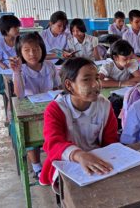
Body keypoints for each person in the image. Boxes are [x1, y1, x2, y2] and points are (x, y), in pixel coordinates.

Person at [39, 57, 118, 186]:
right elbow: (53, 143)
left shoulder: (104, 105)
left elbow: (110, 140)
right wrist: (80, 155)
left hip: (97, 159)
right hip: (66, 161)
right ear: (69, 85)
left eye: (97, 78)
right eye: (86, 80)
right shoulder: (56, 109)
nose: (95, 84)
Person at [9, 32, 60, 179]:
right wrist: (17, 73)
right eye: (27, 50)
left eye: (36, 49)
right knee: (31, 131)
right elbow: (19, 94)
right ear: (20, 53)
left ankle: (56, 160)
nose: (32, 53)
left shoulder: (49, 66)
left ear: (42, 49)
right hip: (30, 109)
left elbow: (57, 87)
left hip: (50, 106)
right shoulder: (21, 70)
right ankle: (37, 166)